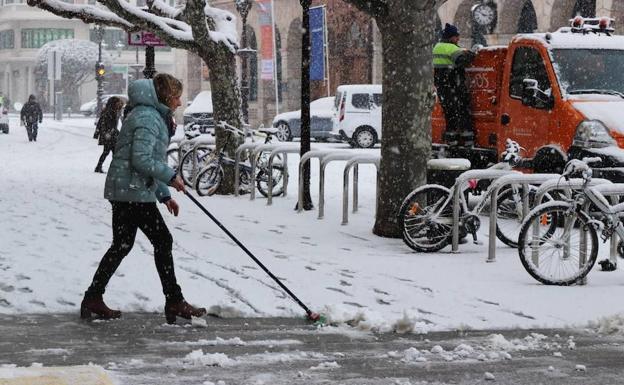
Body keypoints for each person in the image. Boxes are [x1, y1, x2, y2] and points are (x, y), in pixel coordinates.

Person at [80, 73, 207, 324]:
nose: (179, 103)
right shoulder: (148, 118)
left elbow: (150, 162)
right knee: (162, 240)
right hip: (131, 192)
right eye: (176, 97)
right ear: (165, 96)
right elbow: (142, 160)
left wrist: (164, 195)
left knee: (123, 245)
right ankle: (174, 301)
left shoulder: (149, 115)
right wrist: (171, 177)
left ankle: (93, 297)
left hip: (129, 190)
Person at [433, 23, 476, 150]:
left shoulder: (436, 47)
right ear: (451, 37)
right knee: (463, 112)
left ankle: (452, 142)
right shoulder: (451, 49)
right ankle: (468, 141)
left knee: (449, 114)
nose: (458, 39)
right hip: (455, 86)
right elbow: (463, 62)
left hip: (443, 87)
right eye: (456, 37)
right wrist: (471, 54)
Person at [93, 96, 125, 173]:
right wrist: (106, 133)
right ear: (113, 103)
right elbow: (103, 124)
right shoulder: (109, 112)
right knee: (112, 152)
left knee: (108, 152)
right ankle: (114, 169)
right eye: (117, 103)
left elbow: (101, 123)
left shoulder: (113, 111)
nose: (119, 104)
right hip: (109, 135)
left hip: (111, 135)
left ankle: (100, 167)